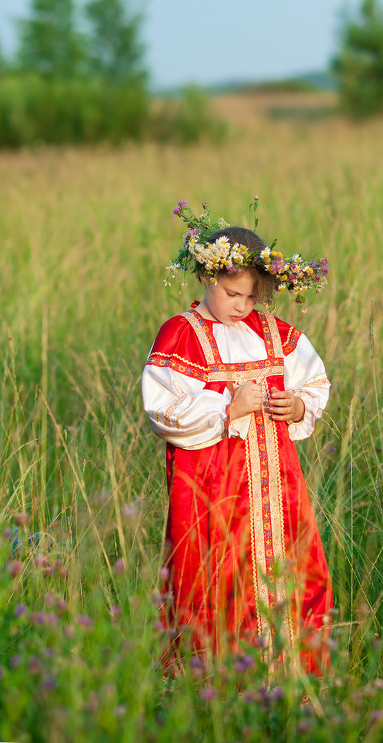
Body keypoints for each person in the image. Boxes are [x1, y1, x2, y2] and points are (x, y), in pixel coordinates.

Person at [142, 200, 332, 676]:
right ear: (207, 278)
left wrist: (299, 405)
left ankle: (289, 681)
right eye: (232, 294)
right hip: (212, 488)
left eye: (251, 297)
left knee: (290, 571)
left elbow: (314, 380)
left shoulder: (273, 332)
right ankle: (216, 688)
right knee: (214, 574)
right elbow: (163, 408)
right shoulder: (181, 335)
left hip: (277, 488)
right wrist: (229, 408)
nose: (242, 307)